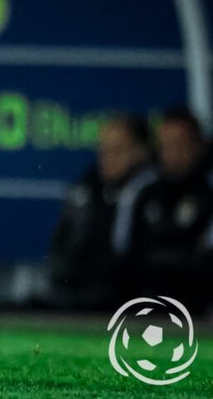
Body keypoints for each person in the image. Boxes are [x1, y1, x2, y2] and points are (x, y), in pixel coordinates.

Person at [46, 114, 153, 309]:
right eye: (103, 150)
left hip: (136, 300)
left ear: (141, 151)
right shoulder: (89, 189)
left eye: (117, 150)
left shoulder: (154, 193)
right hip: (86, 293)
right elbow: (63, 248)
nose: (107, 158)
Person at [117, 108, 213, 312]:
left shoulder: (208, 191)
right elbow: (124, 252)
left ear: (199, 145)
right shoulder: (143, 190)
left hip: (200, 300)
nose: (173, 154)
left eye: (181, 145)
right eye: (166, 146)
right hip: (147, 297)